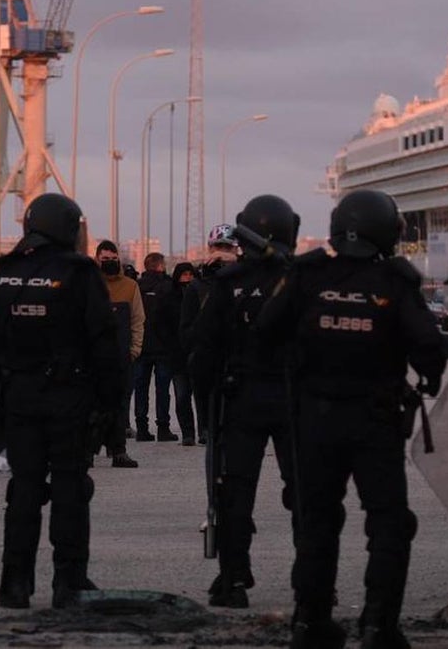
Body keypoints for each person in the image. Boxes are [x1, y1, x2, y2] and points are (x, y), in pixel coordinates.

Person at [256, 190, 446, 649]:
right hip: (375, 421)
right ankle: (379, 625)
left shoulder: (307, 273)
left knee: (317, 521)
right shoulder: (395, 280)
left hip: (315, 420)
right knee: (389, 523)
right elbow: (429, 353)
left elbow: (265, 330)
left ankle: (309, 622)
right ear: (388, 230)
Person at [0, 193, 120, 609]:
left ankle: (14, 584)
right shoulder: (79, 272)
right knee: (71, 489)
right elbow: (105, 342)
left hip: (20, 398)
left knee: (23, 491)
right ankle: (68, 583)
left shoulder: (6, 274)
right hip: (69, 397)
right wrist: (110, 406)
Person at [191, 195, 301, 609]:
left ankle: (233, 579)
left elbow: (203, 349)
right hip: (292, 398)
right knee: (305, 493)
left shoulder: (228, 283)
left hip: (243, 398)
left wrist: (206, 404)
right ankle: (311, 579)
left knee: (234, 493)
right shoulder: (300, 278)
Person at [180, 224, 241, 444]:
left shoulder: (246, 278)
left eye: (227, 247)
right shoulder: (197, 285)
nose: (221, 252)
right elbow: (185, 326)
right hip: (206, 355)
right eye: (218, 247)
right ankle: (205, 426)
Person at [96, 241, 143, 469]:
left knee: (120, 405)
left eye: (113, 258)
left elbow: (138, 320)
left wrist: (134, 350)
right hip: (94, 358)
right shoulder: (90, 285)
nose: (110, 262)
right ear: (97, 260)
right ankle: (88, 451)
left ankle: (118, 451)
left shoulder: (130, 286)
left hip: (122, 357)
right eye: (105, 259)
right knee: (92, 406)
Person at [133, 252, 175, 442]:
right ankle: (163, 428)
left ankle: (142, 428)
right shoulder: (167, 286)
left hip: (142, 345)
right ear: (159, 266)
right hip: (163, 346)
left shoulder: (137, 286)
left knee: (140, 388)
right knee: (162, 389)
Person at [160, 262, 197, 445]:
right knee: (182, 397)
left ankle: (205, 430)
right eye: (184, 274)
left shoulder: (200, 294)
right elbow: (162, 325)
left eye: (191, 274)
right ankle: (188, 433)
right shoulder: (170, 298)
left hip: (198, 354)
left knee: (202, 396)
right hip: (177, 355)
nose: (188, 278)